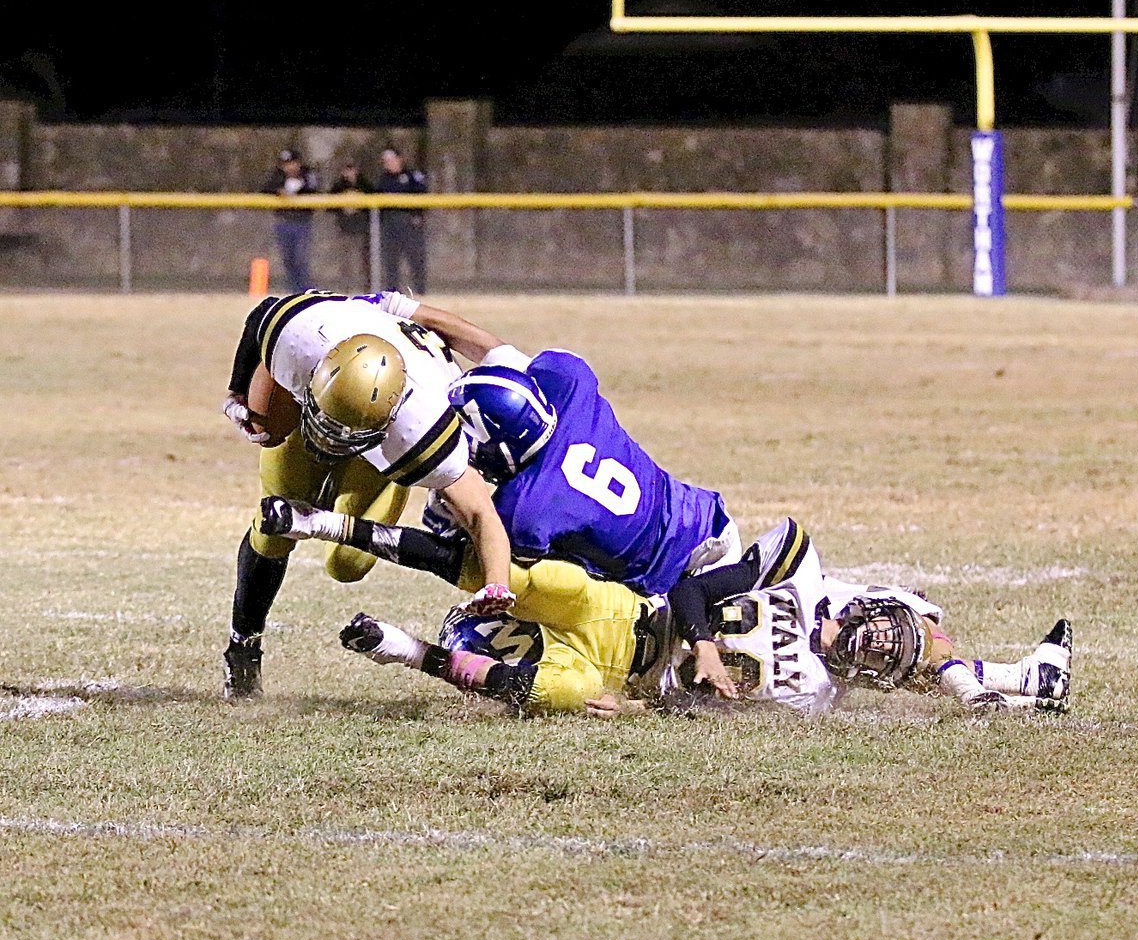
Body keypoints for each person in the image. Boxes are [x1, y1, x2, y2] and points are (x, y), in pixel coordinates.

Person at [258, 498, 1073, 718]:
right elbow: (690, 583)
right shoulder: (801, 575)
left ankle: (404, 650)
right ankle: (331, 525)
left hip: (608, 667)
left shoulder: (815, 696)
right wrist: (707, 645)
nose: (856, 643)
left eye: (868, 653)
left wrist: (971, 684)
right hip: (628, 614)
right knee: (506, 571)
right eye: (867, 627)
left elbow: (914, 656)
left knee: (572, 696)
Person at [218, 289, 516, 701]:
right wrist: (239, 391)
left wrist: (497, 583)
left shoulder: (422, 432)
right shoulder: (302, 338)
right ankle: (243, 646)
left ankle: (329, 510)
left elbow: (482, 513)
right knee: (271, 530)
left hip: (380, 446)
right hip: (319, 402)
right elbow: (263, 317)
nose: (333, 440)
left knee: (347, 565)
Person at [432, 340, 742, 597]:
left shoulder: (525, 509)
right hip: (707, 521)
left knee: (511, 608)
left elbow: (489, 548)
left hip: (677, 584)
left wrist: (449, 509)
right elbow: (495, 349)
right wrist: (407, 309)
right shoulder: (570, 383)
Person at [261, 149, 319, 292]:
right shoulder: (278, 176)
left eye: (291, 163)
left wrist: (297, 194)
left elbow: (314, 190)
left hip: (302, 222)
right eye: (285, 164)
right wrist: (280, 191)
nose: (289, 167)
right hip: (283, 222)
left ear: (298, 163)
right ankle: (294, 291)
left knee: (300, 259)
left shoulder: (307, 175)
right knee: (288, 259)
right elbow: (265, 189)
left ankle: (306, 291)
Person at [376, 148, 427, 294]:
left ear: (399, 159)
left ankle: (420, 291)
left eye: (391, 160)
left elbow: (422, 194)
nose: (388, 164)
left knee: (415, 258)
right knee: (391, 261)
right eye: (386, 161)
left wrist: (417, 214)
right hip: (390, 224)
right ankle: (393, 293)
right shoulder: (383, 179)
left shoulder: (412, 176)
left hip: (409, 224)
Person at [329, 161, 374, 292]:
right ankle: (345, 289)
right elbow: (329, 206)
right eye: (346, 170)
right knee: (345, 263)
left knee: (364, 263)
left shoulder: (364, 184)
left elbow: (374, 200)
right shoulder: (338, 186)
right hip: (344, 229)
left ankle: (367, 290)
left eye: (351, 169)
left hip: (362, 230)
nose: (349, 172)